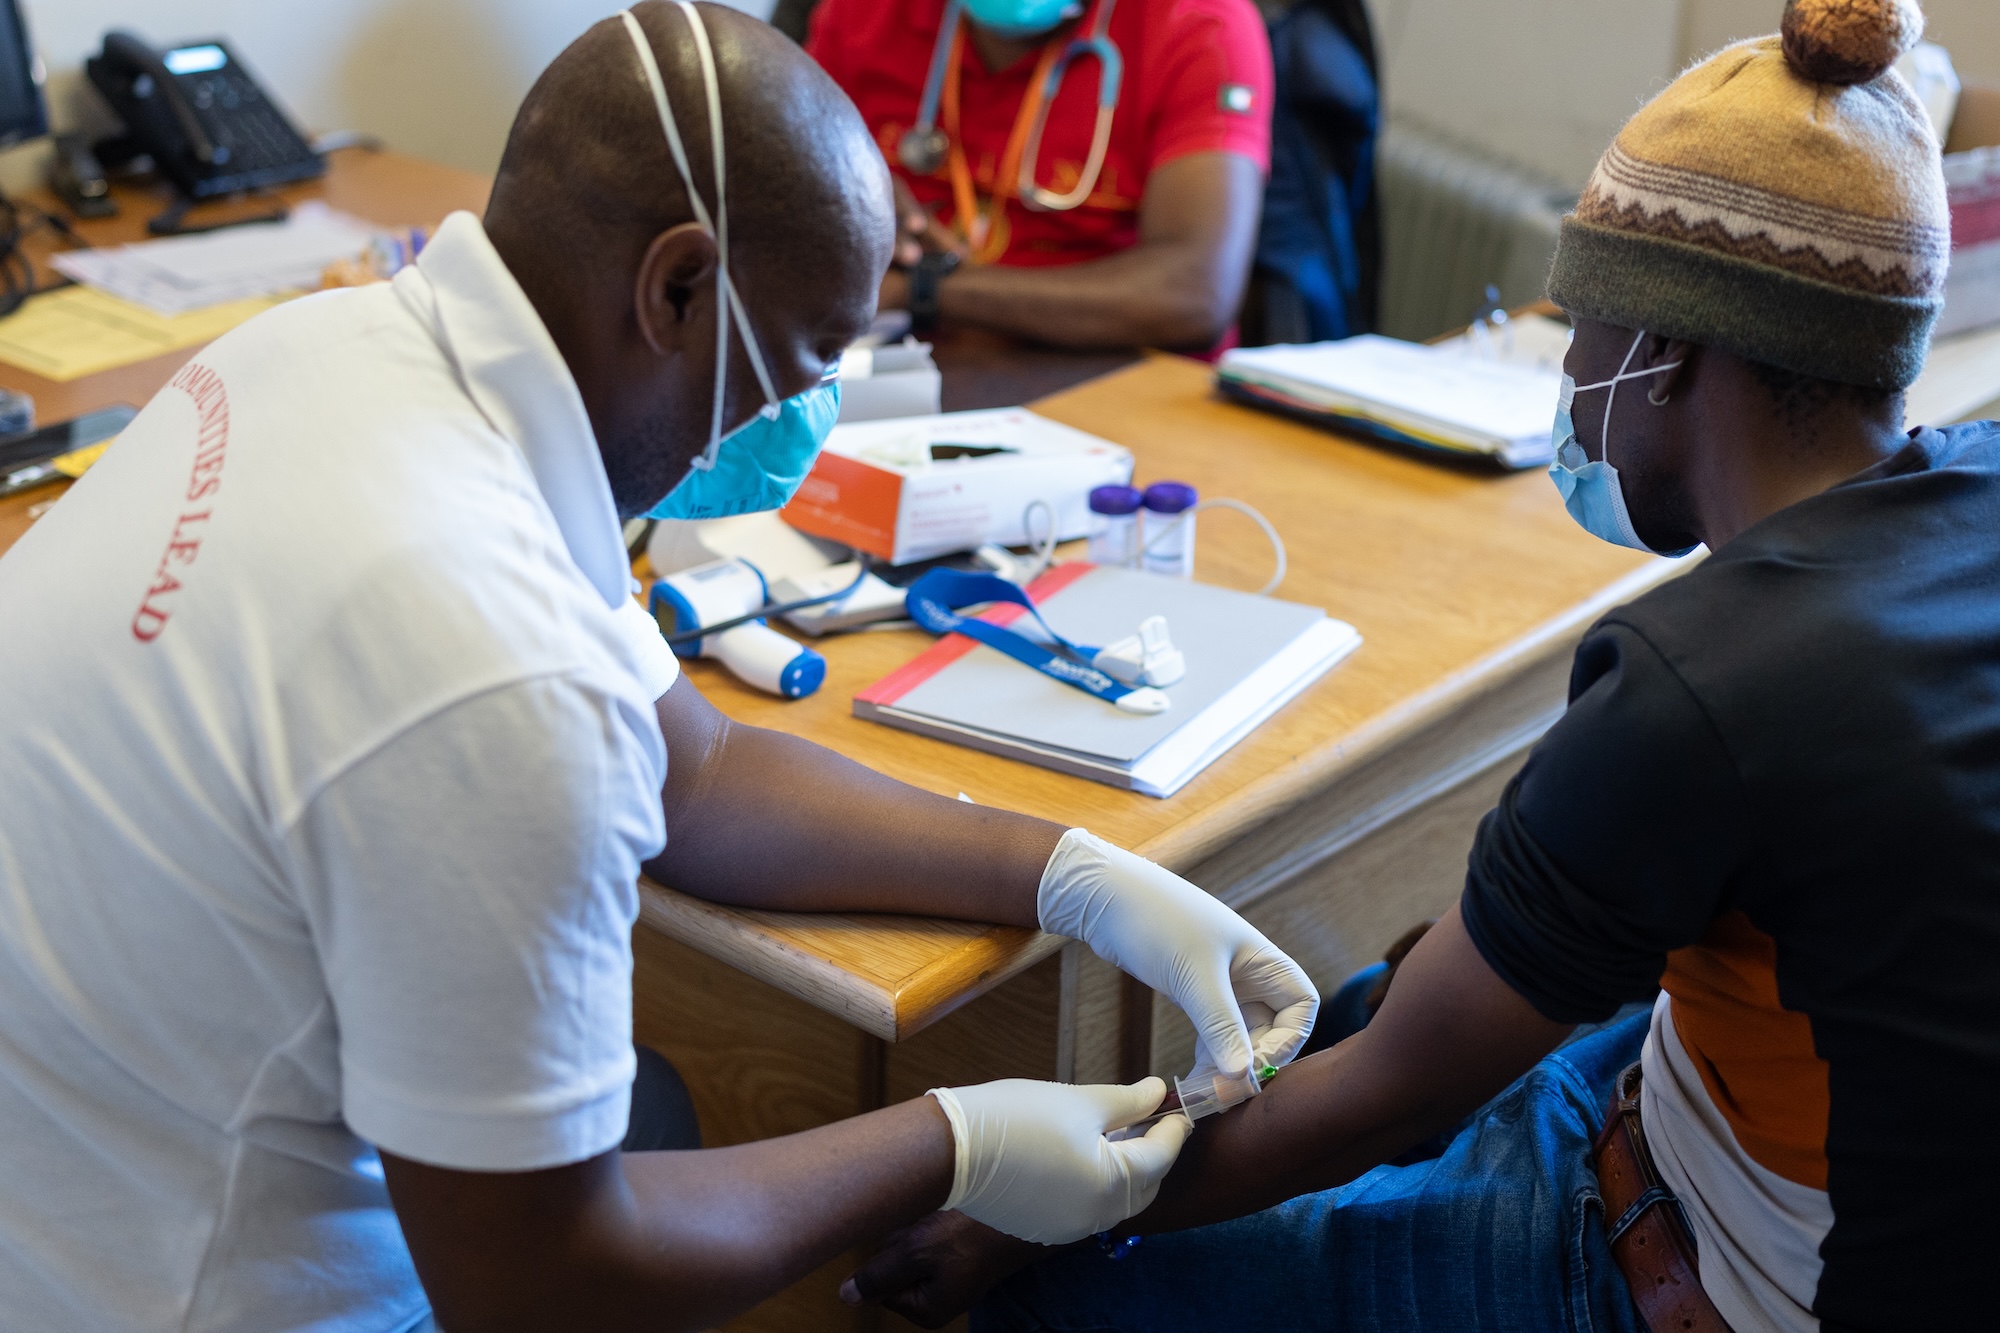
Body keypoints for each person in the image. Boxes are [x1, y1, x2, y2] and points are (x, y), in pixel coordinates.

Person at [0, 5, 1321, 1330]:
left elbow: (701, 769)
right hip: (184, 1288)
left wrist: (1070, 874)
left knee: (672, 1102)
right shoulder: (492, 668)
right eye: (807, 361)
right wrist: (958, 1139)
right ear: (678, 289)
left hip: (67, 1166)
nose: (807, 416)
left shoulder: (327, 351)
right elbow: (549, 1287)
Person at [843, 1, 1998, 1329]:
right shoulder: (1977, 488)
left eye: (1584, 330)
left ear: (1669, 355)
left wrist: (1012, 1221)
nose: (1570, 376)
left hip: (1699, 1271)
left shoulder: (1699, 689)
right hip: (1729, 1117)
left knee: (1064, 1294)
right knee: (1365, 997)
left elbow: (1392, 1095)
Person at [804, 0, 1273, 350]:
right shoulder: (863, 12)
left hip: (1107, 381)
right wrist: (844, 196)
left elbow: (1193, 294)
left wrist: (925, 288)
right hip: (896, 364)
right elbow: (763, 194)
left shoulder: (1198, 25)